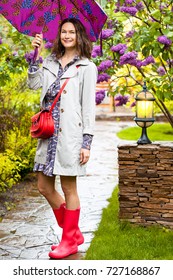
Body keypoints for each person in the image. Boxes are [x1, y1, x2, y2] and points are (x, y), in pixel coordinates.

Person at [27, 18, 97, 259]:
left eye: (72, 32)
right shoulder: (49, 61)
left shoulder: (87, 67)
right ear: (59, 35)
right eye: (64, 32)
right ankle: (73, 231)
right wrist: (34, 55)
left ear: (79, 36)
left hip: (71, 136)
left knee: (69, 187)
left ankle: (69, 241)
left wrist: (86, 142)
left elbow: (88, 107)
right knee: (43, 186)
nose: (67, 36)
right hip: (48, 134)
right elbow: (33, 84)